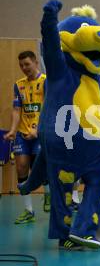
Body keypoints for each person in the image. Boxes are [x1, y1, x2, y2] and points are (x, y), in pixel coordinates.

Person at [3, 51, 50, 224]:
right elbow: (17, 110)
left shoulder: (45, 81)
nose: (24, 68)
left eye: (27, 64)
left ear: (36, 63)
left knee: (40, 165)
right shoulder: (18, 85)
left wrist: (37, 130)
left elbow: (47, 108)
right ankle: (28, 210)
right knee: (21, 167)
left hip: (40, 133)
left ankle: (48, 195)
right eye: (21, 65)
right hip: (23, 133)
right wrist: (13, 130)